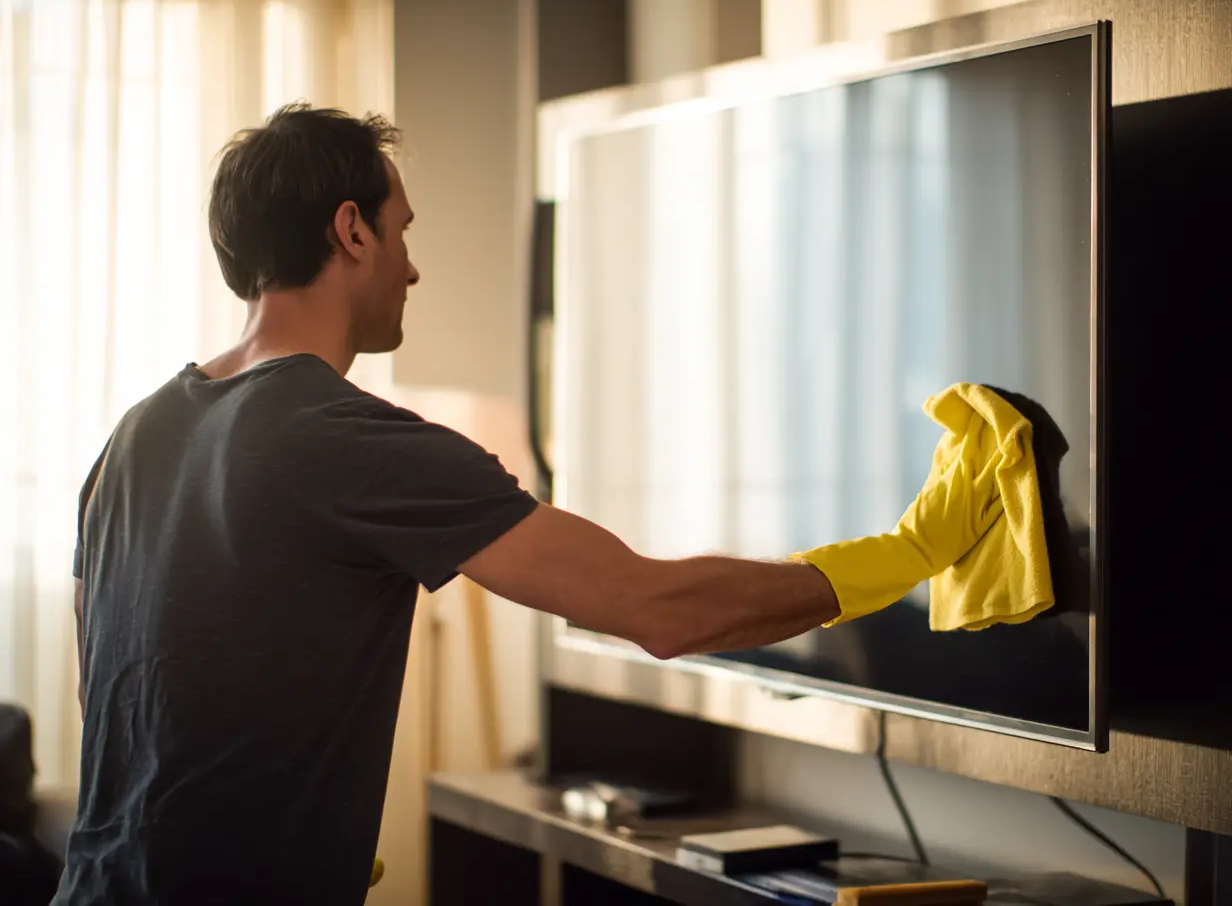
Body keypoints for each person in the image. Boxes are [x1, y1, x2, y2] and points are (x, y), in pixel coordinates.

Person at [56, 104, 839, 906]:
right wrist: (881, 566)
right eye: (403, 230)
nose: (413, 267)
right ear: (352, 230)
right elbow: (656, 608)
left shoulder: (134, 434)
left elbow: (107, 698)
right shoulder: (345, 438)